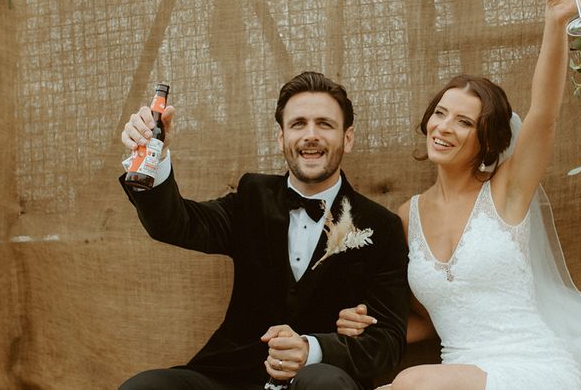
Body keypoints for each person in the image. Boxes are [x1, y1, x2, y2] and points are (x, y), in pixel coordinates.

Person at [336, 0, 581, 389]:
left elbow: (543, 113)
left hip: (534, 367)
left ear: (487, 140)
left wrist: (556, 18)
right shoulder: (407, 218)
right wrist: (366, 328)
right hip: (459, 371)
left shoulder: (506, 191)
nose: (444, 128)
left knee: (409, 383)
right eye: (441, 113)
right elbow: (429, 319)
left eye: (464, 121)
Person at [118, 71, 410, 390]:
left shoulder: (382, 226)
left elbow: (387, 343)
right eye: (298, 124)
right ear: (281, 137)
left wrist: (313, 349)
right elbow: (175, 223)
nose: (310, 135)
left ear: (348, 138)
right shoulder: (251, 196)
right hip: (232, 376)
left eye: (324, 124)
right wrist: (153, 158)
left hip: (319, 378)